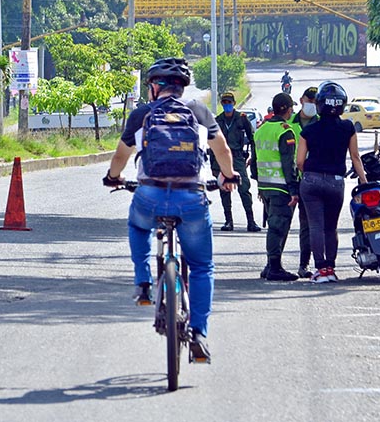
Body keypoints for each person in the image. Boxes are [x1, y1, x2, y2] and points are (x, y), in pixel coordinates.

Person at [103, 57, 239, 362]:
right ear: (182, 87)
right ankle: (199, 333)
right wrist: (228, 177)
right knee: (202, 266)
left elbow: (121, 156)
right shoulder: (199, 111)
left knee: (138, 226)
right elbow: (223, 151)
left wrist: (113, 178)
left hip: (149, 195)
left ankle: (143, 283)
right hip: (191, 198)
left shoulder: (142, 114)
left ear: (154, 87)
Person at [296, 81, 367, 283]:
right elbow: (355, 157)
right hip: (336, 182)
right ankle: (331, 268)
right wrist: (363, 181)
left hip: (311, 181)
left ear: (319, 104)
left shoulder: (309, 130)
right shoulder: (347, 127)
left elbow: (299, 161)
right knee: (330, 227)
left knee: (315, 226)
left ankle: (320, 270)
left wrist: (310, 173)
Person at [251, 92, 300, 282]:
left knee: (274, 225)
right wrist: (294, 189)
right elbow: (289, 164)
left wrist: (260, 185)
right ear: (287, 109)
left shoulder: (261, 130)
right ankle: (274, 267)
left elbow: (254, 162)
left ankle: (270, 266)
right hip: (281, 188)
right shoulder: (285, 131)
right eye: (291, 108)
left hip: (266, 186)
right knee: (277, 228)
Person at [211, 92, 261, 232]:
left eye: (229, 102)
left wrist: (253, 157)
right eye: (225, 102)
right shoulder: (218, 120)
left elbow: (252, 138)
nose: (227, 105)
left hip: (238, 158)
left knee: (244, 188)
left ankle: (251, 222)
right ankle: (228, 221)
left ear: (234, 103)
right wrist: (214, 166)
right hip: (222, 159)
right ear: (222, 104)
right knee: (224, 190)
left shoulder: (241, 118)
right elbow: (213, 144)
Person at [288, 87, 320, 278]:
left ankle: (306, 264)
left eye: (316, 102)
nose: (313, 105)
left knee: (310, 225)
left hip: (313, 180)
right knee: (281, 224)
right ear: (302, 100)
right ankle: (273, 264)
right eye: (310, 100)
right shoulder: (288, 123)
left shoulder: (321, 123)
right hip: (290, 181)